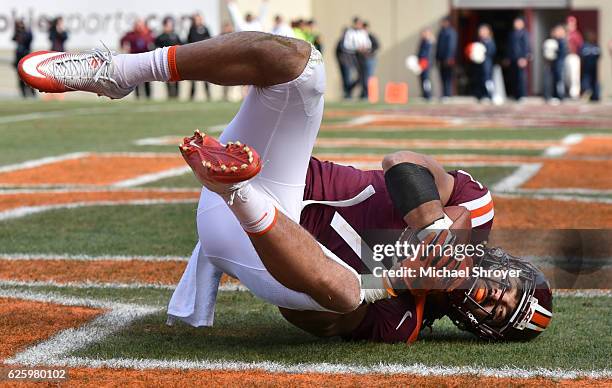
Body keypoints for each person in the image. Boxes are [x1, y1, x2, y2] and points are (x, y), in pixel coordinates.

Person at [18, 32, 553, 344]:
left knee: (348, 291)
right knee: (302, 66)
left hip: (242, 228)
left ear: (478, 327)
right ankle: (123, 69)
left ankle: (234, 189)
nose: (490, 298)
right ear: (510, 264)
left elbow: (301, 312)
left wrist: (392, 281)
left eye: (497, 312)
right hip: (275, 170)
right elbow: (403, 161)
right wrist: (432, 229)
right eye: (508, 291)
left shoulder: (404, 321)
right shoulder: (473, 211)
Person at [120, 19, 155, 99]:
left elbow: (153, 42)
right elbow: (122, 40)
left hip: (146, 59)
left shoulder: (148, 34)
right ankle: (137, 97)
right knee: (136, 80)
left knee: (147, 79)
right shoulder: (131, 35)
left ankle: (148, 96)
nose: (139, 27)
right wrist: (123, 47)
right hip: (134, 60)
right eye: (137, 25)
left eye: (140, 25)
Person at [343, 17, 371, 99]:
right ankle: (348, 90)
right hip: (353, 55)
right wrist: (356, 47)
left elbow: (368, 43)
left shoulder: (363, 32)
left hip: (363, 55)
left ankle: (364, 93)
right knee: (354, 75)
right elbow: (346, 44)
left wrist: (364, 48)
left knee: (364, 75)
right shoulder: (350, 32)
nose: (359, 25)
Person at [187, 13, 212, 101]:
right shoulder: (192, 29)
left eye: (200, 19)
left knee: (206, 78)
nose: (199, 20)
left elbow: (210, 40)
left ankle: (208, 95)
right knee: (193, 78)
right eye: (197, 19)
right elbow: (189, 41)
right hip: (194, 57)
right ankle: (191, 96)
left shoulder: (205, 29)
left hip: (204, 56)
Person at [156, 17, 182, 99]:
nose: (169, 27)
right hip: (165, 61)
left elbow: (180, 45)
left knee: (177, 77)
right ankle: (170, 95)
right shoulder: (160, 37)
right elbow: (156, 47)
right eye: (167, 25)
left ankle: (176, 95)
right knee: (167, 78)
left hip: (175, 60)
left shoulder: (175, 36)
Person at [507, 17, 530, 101]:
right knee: (514, 77)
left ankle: (522, 95)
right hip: (513, 58)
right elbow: (509, 47)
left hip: (521, 58)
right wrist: (509, 58)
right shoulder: (512, 34)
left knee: (521, 78)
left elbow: (526, 46)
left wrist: (524, 57)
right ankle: (515, 95)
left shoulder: (524, 34)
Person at [12, 19, 35, 98]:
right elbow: (13, 38)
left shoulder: (27, 34)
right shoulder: (18, 34)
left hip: (26, 57)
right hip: (19, 58)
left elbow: (29, 38)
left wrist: (25, 30)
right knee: (20, 78)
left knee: (29, 77)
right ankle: (24, 94)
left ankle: (32, 93)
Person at [435, 17, 457, 100]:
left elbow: (451, 46)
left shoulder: (451, 32)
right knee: (442, 76)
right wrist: (437, 58)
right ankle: (444, 94)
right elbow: (438, 47)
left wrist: (448, 58)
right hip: (441, 59)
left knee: (448, 77)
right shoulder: (441, 32)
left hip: (448, 59)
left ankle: (448, 94)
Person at [545, 25, 567, 102]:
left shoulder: (562, 41)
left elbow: (561, 53)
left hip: (560, 64)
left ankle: (560, 96)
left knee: (559, 80)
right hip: (555, 64)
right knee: (554, 80)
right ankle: (555, 95)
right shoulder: (554, 41)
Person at [475, 24, 496, 101]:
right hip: (479, 65)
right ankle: (480, 95)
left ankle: (489, 95)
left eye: (483, 30)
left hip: (487, 65)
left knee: (487, 80)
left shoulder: (489, 41)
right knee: (479, 79)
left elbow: (491, 52)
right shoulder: (479, 41)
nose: (481, 32)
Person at [565, 16, 583, 99]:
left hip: (574, 56)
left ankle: (574, 94)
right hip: (566, 56)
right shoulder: (565, 33)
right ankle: (568, 92)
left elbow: (580, 46)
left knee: (574, 75)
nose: (570, 25)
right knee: (567, 75)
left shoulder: (576, 34)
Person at [580, 31, 600, 101]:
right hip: (588, 66)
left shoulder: (595, 46)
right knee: (587, 80)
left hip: (592, 67)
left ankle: (595, 95)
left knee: (593, 80)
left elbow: (599, 55)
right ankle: (588, 91)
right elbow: (582, 55)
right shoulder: (585, 46)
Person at [417, 28, 434, 101]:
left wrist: (424, 61)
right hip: (421, 62)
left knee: (426, 79)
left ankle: (428, 95)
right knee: (422, 79)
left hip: (425, 62)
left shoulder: (429, 42)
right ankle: (424, 94)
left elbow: (427, 54)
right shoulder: (423, 41)